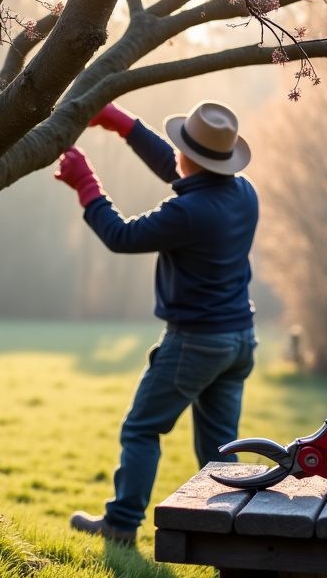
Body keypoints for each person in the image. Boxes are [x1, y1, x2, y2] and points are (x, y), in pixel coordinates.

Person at [54, 100, 260, 544]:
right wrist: (121, 123)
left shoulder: (189, 213)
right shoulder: (243, 192)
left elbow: (121, 235)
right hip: (239, 340)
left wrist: (85, 183)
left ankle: (121, 525)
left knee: (142, 428)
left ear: (192, 159)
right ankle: (231, 533)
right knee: (219, 447)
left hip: (197, 343)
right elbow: (179, 169)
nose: (175, 155)